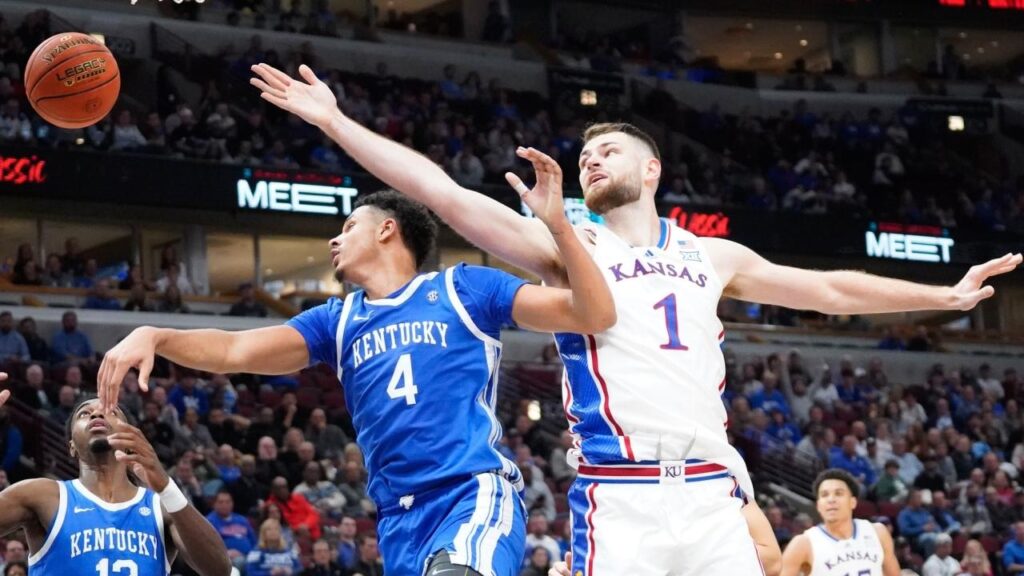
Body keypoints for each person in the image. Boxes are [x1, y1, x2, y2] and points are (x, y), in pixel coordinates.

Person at [249, 65, 1014, 576]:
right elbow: (444, 194)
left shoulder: (714, 256)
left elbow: (828, 290)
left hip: (713, 492)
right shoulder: (566, 245)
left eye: (607, 150)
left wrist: (941, 297)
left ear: (651, 170)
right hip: (618, 495)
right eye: (585, 155)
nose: (590, 160)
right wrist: (336, 123)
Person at [96, 175, 616, 576]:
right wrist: (156, 335)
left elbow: (589, 314)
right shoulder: (337, 322)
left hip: (470, 494)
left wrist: (560, 230)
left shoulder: (465, 291)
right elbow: (234, 350)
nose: (333, 240)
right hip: (397, 519)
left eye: (347, 227)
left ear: (387, 229)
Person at [0, 378, 230, 576]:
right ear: (71, 445)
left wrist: (168, 488)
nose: (98, 413)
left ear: (131, 435)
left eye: (111, 411)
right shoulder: (43, 495)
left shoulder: (161, 507)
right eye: (84, 414)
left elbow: (219, 570)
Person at [781, 469, 899, 576]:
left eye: (838, 493)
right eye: (824, 495)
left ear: (853, 502)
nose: (831, 499)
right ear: (818, 506)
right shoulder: (803, 543)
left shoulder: (878, 532)